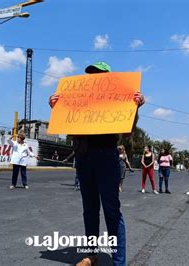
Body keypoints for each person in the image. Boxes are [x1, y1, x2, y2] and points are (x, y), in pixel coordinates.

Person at [49, 61, 145, 266]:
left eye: (99, 74)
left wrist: (135, 107)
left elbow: (128, 130)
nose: (94, 77)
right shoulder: (81, 98)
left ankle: (119, 262)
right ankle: (91, 255)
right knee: (89, 209)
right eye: (91, 74)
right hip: (84, 157)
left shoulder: (116, 97)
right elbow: (67, 124)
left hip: (107, 156)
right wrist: (57, 107)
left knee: (112, 210)